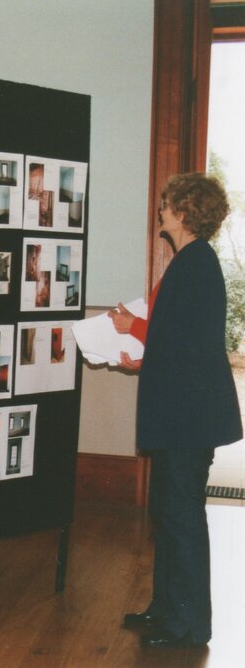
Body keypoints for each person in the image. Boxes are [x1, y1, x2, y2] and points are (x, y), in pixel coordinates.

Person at [109, 172, 241, 648]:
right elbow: (182, 341)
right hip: (183, 413)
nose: (159, 210)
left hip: (189, 419)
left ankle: (188, 625)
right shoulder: (190, 262)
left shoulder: (195, 264)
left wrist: (131, 326)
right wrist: (144, 352)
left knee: (182, 516)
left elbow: (183, 340)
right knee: (170, 512)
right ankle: (165, 611)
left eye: (166, 203)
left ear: (184, 213)